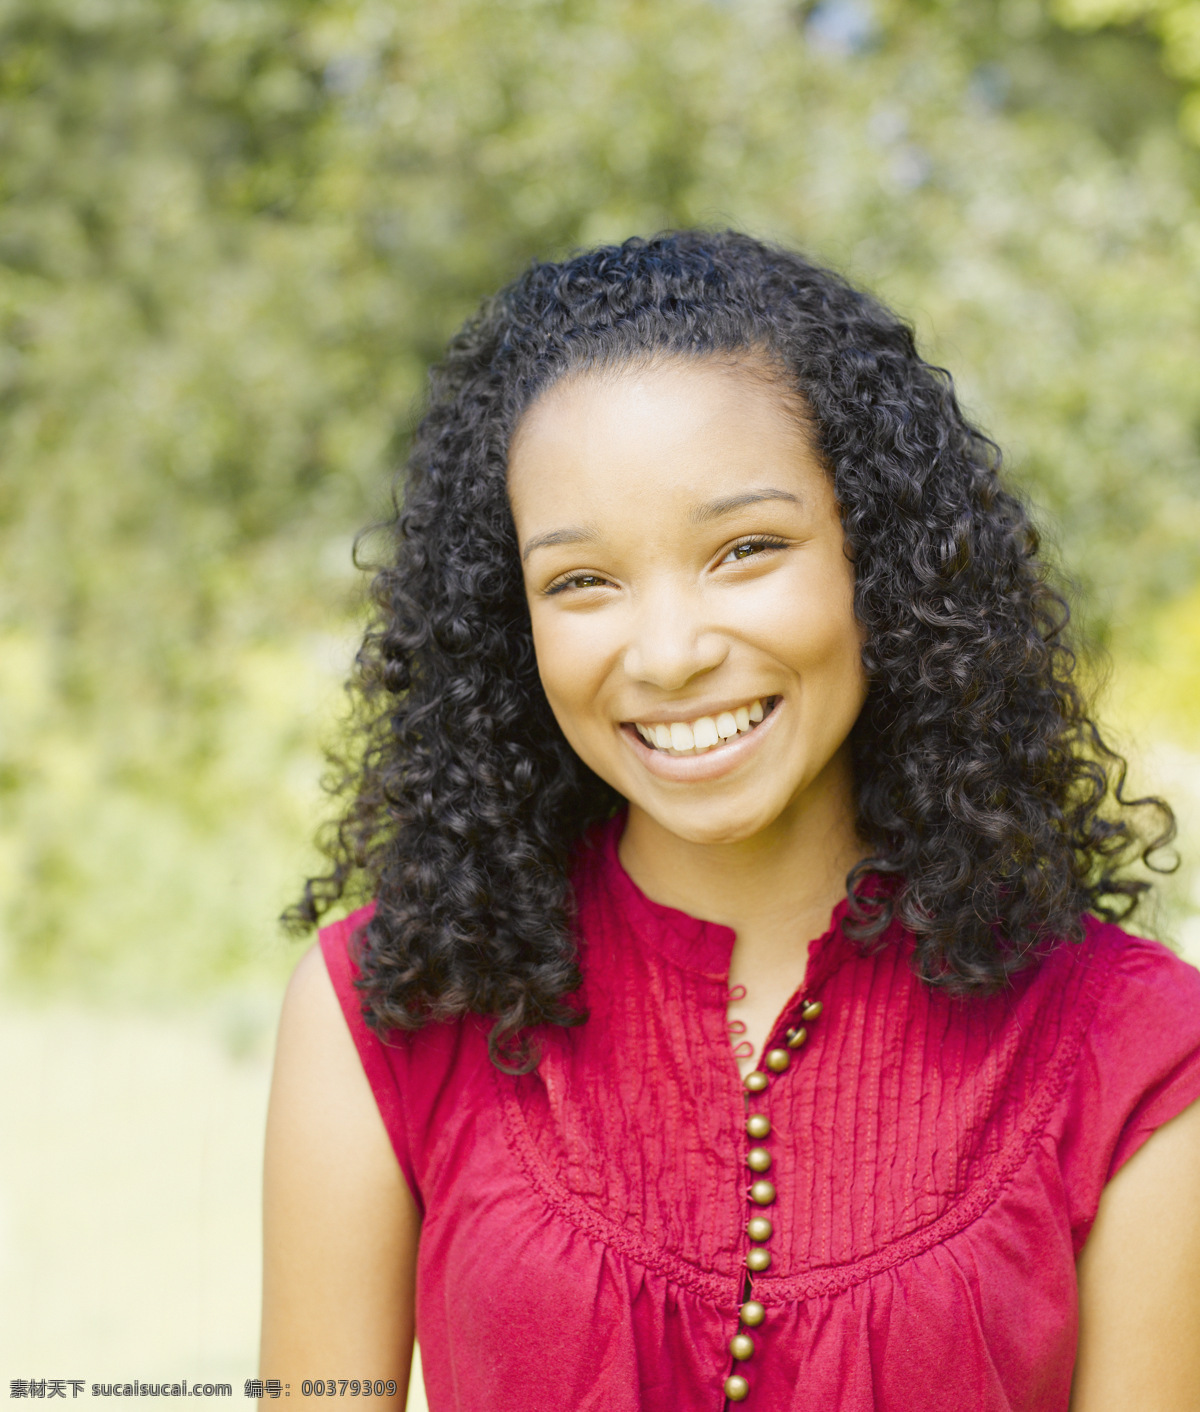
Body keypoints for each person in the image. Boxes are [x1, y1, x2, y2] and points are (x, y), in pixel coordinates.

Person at [259, 232, 1200, 1411]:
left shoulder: (1136, 1050)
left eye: (746, 550)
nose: (667, 653)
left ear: (882, 558)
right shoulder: (388, 1007)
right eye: (580, 581)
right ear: (513, 620)